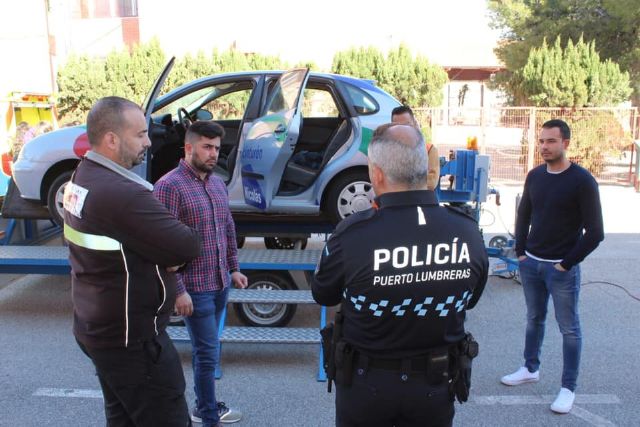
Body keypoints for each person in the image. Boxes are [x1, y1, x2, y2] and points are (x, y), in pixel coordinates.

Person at [311, 124, 488, 427]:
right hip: (435, 384)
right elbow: (469, 299)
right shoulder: (467, 231)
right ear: (423, 167)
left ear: (376, 174)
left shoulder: (353, 235)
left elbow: (323, 294)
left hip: (367, 386)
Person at [64, 96, 201, 427]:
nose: (149, 141)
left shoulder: (82, 176)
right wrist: (166, 257)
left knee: (123, 418)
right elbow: (187, 245)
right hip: (133, 343)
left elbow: (119, 244)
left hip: (101, 332)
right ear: (112, 139)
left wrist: (156, 253)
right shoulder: (122, 194)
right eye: (140, 134)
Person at [501, 119, 604, 414]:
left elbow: (596, 232)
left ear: (566, 144)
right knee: (534, 319)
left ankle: (568, 388)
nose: (544, 147)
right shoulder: (535, 176)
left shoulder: (582, 181)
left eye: (551, 141)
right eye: (542, 141)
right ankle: (529, 368)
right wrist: (521, 252)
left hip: (561, 270)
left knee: (569, 329)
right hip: (531, 264)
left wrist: (566, 264)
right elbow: (523, 215)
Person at [154, 121, 248, 427]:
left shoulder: (217, 183)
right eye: (207, 147)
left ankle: (203, 405)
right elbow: (163, 244)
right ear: (189, 148)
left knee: (208, 351)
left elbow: (227, 228)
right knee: (207, 354)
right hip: (194, 288)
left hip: (220, 282)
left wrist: (234, 268)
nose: (213, 154)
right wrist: (177, 289)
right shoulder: (169, 186)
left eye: (217, 148)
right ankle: (209, 416)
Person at [391, 106, 440, 191]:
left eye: (407, 125)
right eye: (397, 126)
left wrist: (401, 180)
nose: (403, 130)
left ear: (414, 124)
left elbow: (432, 182)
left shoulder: (430, 150)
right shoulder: (387, 151)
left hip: (420, 202)